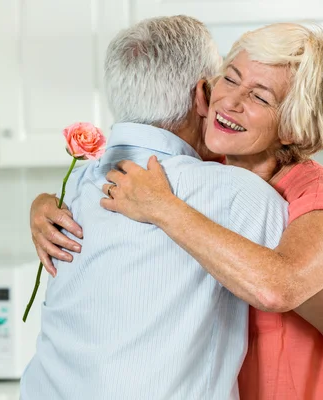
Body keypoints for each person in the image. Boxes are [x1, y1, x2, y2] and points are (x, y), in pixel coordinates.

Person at [31, 23, 323, 399]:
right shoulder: (211, 175)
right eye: (230, 79)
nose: (229, 101)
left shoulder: (307, 194)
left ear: (293, 126)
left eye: (259, 97)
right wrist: (45, 205)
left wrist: (163, 208)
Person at [20, 15, 289, 400]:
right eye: (225, 82)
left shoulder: (75, 187)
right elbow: (302, 293)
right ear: (202, 95)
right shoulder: (236, 195)